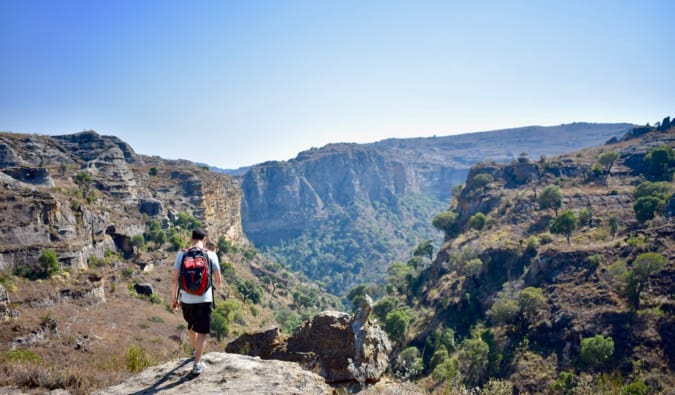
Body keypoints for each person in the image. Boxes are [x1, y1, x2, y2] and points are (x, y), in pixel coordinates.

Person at [171, 228, 222, 375]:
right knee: (202, 333)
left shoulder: (182, 254)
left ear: (191, 239)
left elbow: (174, 278)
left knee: (191, 326)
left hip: (186, 299)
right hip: (204, 299)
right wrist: (214, 290)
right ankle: (197, 364)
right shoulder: (210, 254)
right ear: (205, 240)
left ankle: (194, 351)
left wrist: (174, 299)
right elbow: (218, 280)